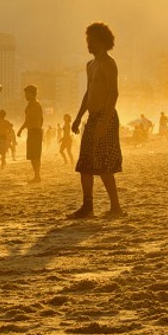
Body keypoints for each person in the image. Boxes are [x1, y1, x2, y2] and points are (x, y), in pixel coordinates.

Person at [69, 23, 124, 219]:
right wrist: (78, 118)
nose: (88, 44)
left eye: (90, 40)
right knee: (85, 163)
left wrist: (105, 121)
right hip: (92, 117)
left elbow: (113, 93)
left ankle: (116, 206)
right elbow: (88, 93)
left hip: (105, 117)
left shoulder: (108, 63)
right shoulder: (90, 65)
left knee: (103, 163)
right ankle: (87, 206)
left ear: (100, 40)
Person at [19, 85, 46, 180]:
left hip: (34, 131)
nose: (25, 95)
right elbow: (40, 120)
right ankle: (37, 175)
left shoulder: (34, 105)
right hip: (35, 131)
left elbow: (29, 119)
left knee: (34, 155)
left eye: (27, 93)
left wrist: (21, 129)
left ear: (32, 93)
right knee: (34, 155)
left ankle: (37, 176)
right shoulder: (33, 104)